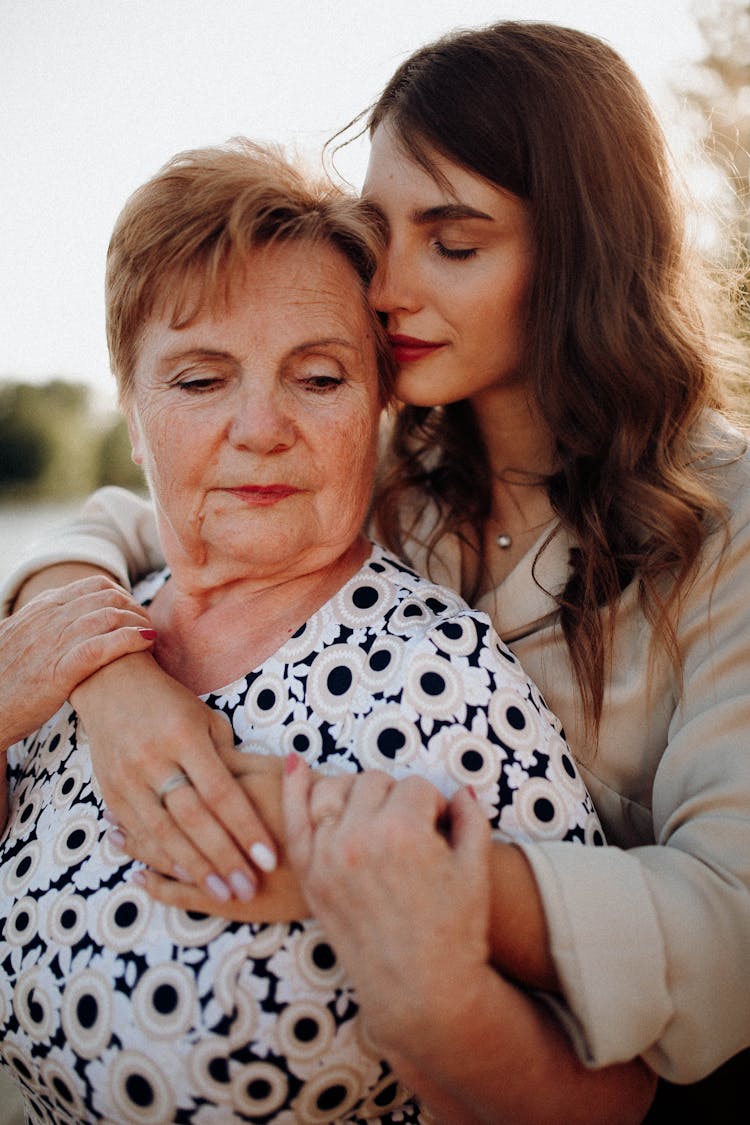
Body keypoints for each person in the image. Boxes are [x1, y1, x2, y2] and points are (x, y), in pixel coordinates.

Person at [4, 15, 749, 1113]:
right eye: (380, 227)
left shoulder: (723, 519)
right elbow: (137, 519)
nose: (387, 285)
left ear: (585, 254)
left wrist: (378, 872)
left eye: (453, 243)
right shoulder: (395, 461)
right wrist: (114, 686)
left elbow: (731, 932)